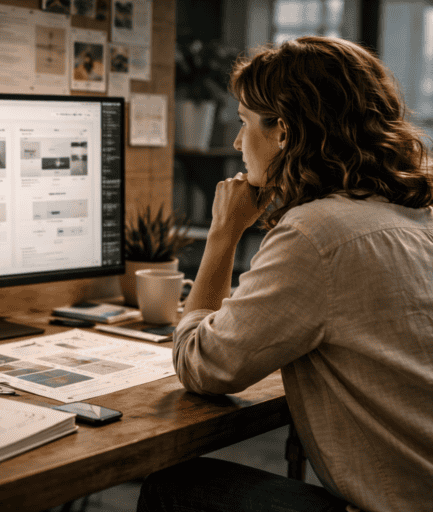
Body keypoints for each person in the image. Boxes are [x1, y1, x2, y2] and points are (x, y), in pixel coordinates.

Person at [137, 36, 433, 512]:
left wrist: (223, 235)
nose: (236, 143)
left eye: (243, 123)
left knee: (176, 485)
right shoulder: (417, 213)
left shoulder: (318, 234)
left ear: (286, 133)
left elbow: (200, 364)